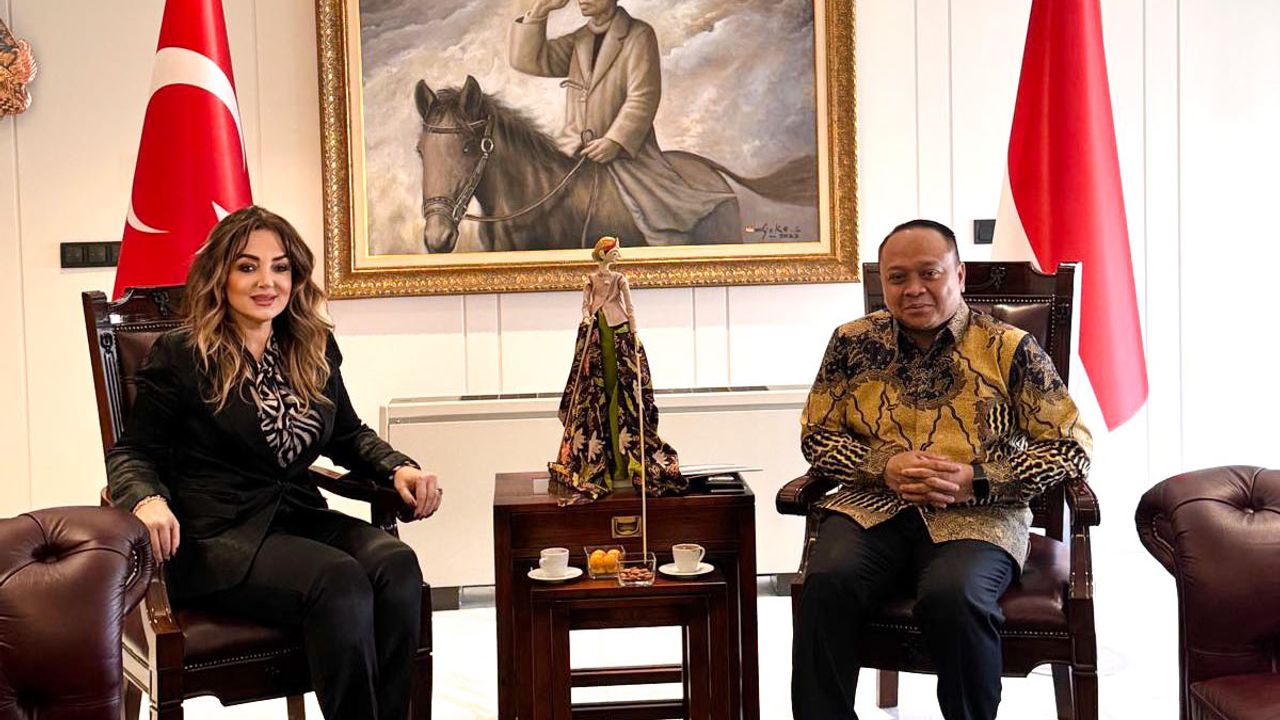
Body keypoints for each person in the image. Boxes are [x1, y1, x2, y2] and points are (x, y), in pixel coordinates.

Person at [106, 205, 441, 720]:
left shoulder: (311, 345)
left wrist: (398, 467)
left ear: (295, 277)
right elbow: (133, 452)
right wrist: (147, 499)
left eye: (280, 267)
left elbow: (347, 434)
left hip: (298, 518)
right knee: (339, 579)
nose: (267, 282)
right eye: (248, 267)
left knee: (397, 565)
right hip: (219, 537)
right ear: (221, 276)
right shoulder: (183, 354)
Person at [791, 220, 1093, 720]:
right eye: (897, 277)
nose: (913, 289)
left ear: (959, 274)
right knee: (827, 584)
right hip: (872, 508)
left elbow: (1070, 446)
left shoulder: (1009, 348)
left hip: (980, 516)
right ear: (884, 282)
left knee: (954, 597)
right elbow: (816, 436)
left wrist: (979, 479)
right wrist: (882, 466)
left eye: (929, 273)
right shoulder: (850, 343)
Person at [510, 0, 735, 246]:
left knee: (661, 223)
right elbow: (527, 61)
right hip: (573, 150)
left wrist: (614, 140)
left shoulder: (639, 35)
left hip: (624, 155)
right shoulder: (580, 39)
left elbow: (643, 96)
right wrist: (539, 12)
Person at [549, 235, 683, 503]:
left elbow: (629, 305)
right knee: (597, 391)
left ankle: (624, 461)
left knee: (622, 396)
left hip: (618, 332)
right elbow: (586, 303)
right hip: (597, 333)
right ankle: (602, 461)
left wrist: (633, 331)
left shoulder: (620, 279)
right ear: (604, 254)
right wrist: (586, 317)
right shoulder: (591, 279)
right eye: (614, 252)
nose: (618, 255)